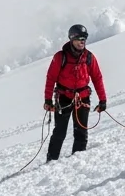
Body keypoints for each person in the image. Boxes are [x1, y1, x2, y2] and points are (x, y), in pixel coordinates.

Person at [43, 24, 107, 160]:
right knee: (59, 132)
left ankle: (77, 160)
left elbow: (97, 78)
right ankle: (51, 160)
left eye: (84, 38)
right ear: (72, 39)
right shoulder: (60, 57)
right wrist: (48, 100)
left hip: (82, 98)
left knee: (81, 131)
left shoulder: (89, 57)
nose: (82, 41)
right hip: (63, 98)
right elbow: (51, 78)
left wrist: (103, 100)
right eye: (79, 38)